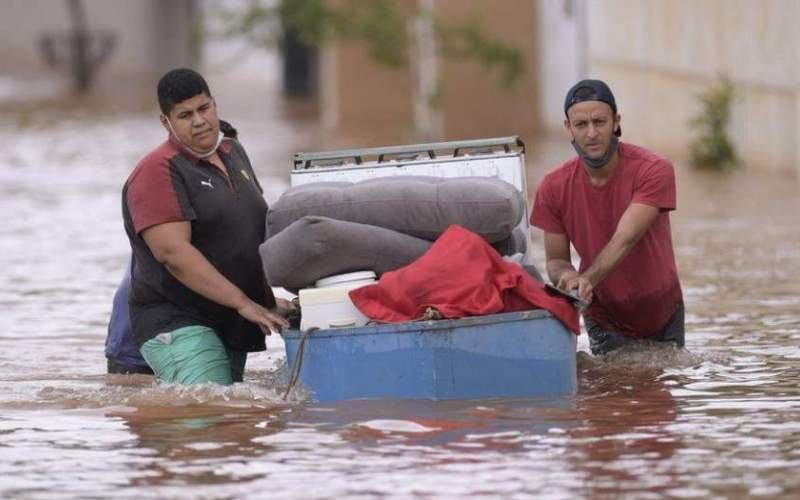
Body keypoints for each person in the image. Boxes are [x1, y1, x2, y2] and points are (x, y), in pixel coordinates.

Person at [122, 68, 292, 385]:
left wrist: (264, 300)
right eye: (185, 115)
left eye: (204, 108)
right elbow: (173, 253)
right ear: (166, 122)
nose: (199, 120)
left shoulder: (233, 152)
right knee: (207, 416)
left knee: (233, 425)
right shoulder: (158, 170)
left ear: (214, 104)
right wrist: (243, 302)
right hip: (178, 319)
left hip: (229, 316)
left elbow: (243, 237)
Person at [531, 79, 684, 355]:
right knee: (608, 393)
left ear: (616, 122)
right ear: (569, 129)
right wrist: (569, 279)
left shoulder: (654, 170)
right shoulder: (552, 187)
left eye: (599, 122)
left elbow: (625, 238)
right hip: (605, 316)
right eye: (581, 125)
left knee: (660, 392)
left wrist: (587, 278)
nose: (591, 133)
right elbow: (556, 260)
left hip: (662, 311)